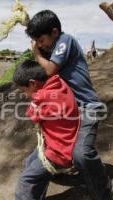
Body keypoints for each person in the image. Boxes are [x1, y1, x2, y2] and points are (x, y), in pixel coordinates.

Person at [24, 10, 113, 200]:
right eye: (37, 42)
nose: (40, 45)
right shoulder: (52, 48)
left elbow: (49, 69)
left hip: (86, 108)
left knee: (81, 154)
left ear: (55, 32)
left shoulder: (65, 41)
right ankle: (80, 174)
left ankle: (104, 189)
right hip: (68, 111)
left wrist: (35, 53)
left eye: (41, 40)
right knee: (33, 160)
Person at [13, 60, 80, 200]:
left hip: (59, 151)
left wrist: (34, 103)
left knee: (25, 181)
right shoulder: (57, 83)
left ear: (33, 83)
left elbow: (32, 115)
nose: (25, 95)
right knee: (28, 163)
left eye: (24, 91)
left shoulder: (47, 99)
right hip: (58, 142)